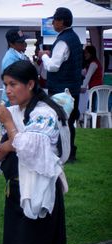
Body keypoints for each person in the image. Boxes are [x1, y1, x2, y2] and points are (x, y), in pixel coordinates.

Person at [0, 60, 72, 244]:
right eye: (5, 85)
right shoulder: (12, 110)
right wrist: (11, 144)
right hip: (14, 194)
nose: (8, 90)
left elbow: (30, 150)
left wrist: (10, 128)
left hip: (39, 196)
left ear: (31, 84)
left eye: (13, 84)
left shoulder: (45, 113)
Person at [38, 7, 82, 162]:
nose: (53, 23)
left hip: (61, 89)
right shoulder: (74, 38)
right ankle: (70, 152)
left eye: (55, 20)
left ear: (62, 22)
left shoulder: (63, 40)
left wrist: (43, 56)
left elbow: (53, 66)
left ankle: (65, 152)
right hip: (73, 87)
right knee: (69, 122)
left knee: (60, 121)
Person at [1, 28, 29, 107]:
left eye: (24, 41)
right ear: (11, 44)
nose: (24, 44)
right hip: (12, 97)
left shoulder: (20, 55)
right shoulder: (9, 59)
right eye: (20, 42)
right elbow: (11, 81)